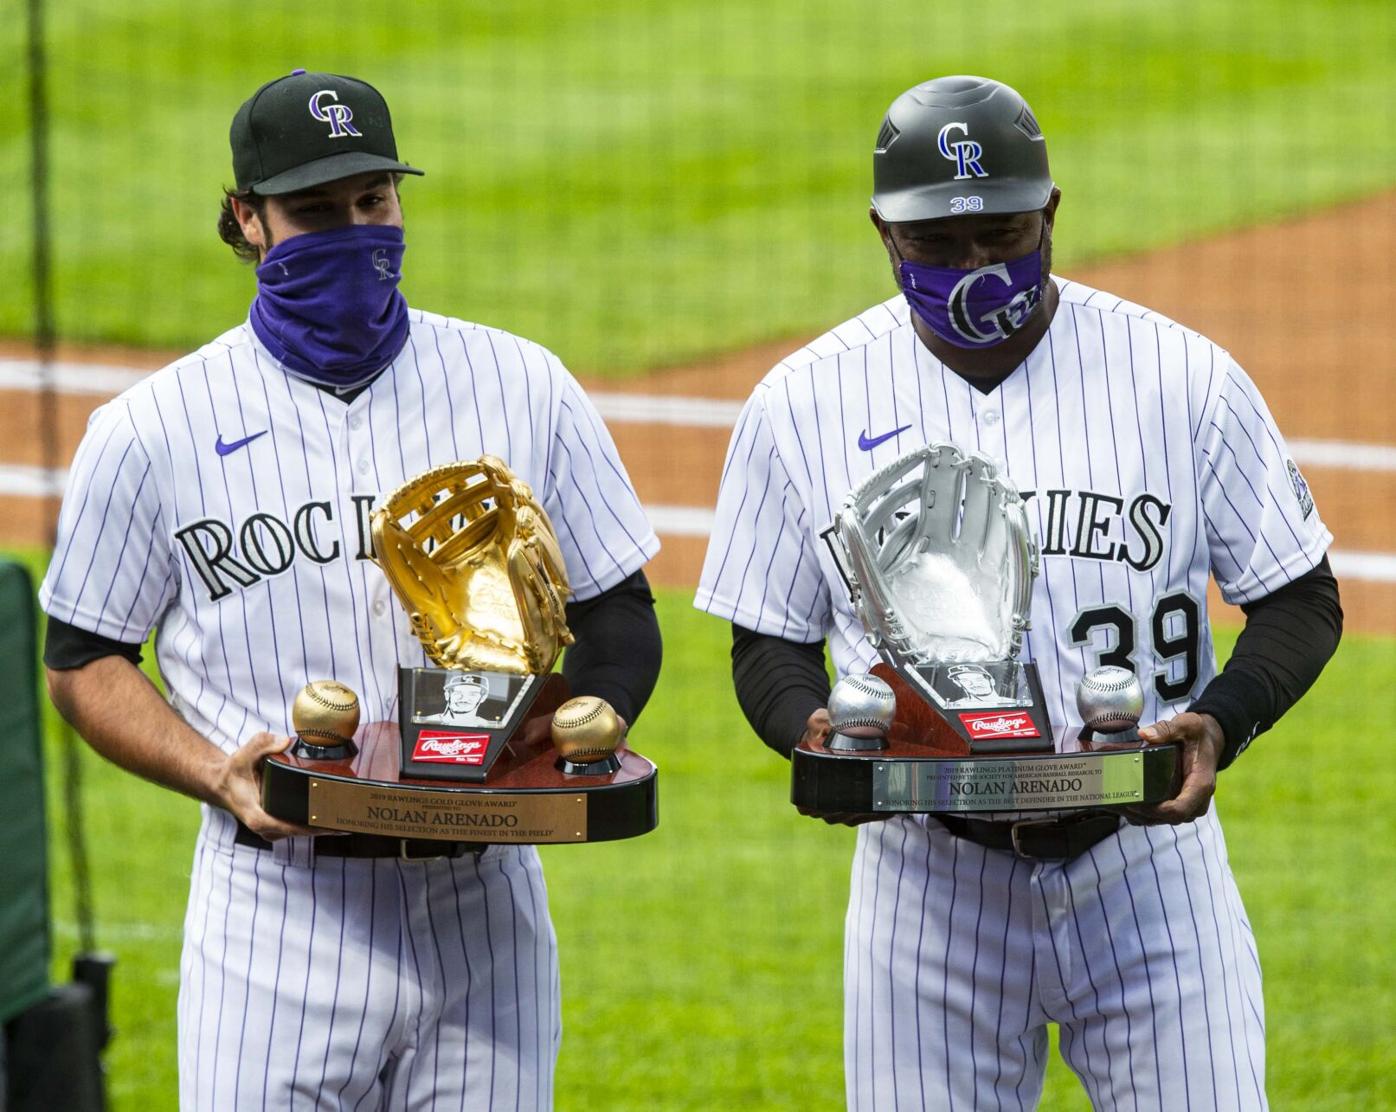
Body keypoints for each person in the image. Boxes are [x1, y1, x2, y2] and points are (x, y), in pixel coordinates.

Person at [696, 75, 1341, 1109]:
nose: (974, 269)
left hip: (1148, 874)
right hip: (926, 885)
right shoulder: (802, 402)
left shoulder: (1181, 376)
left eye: (1001, 235)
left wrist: (1220, 723)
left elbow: (1301, 596)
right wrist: (808, 731)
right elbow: (764, 640)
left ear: (1051, 213)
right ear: (881, 233)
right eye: (937, 246)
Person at [40, 68, 662, 1111]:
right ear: (246, 218)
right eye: (316, 212)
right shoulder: (151, 429)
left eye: (373, 201)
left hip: (483, 903)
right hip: (278, 911)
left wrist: (581, 723)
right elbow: (81, 656)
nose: (354, 231)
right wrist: (213, 771)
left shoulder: (522, 383)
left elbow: (617, 611)